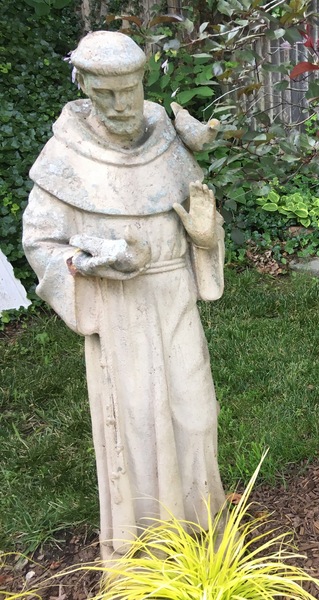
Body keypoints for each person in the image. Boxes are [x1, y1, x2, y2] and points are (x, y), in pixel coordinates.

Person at [22, 30, 226, 563]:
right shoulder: (65, 156)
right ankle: (144, 551)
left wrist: (206, 237)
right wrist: (98, 261)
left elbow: (199, 217)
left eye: (129, 90)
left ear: (142, 82)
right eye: (105, 93)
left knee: (197, 416)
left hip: (174, 296)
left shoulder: (167, 141)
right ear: (85, 88)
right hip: (118, 310)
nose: (120, 105)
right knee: (136, 427)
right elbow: (40, 243)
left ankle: (206, 532)